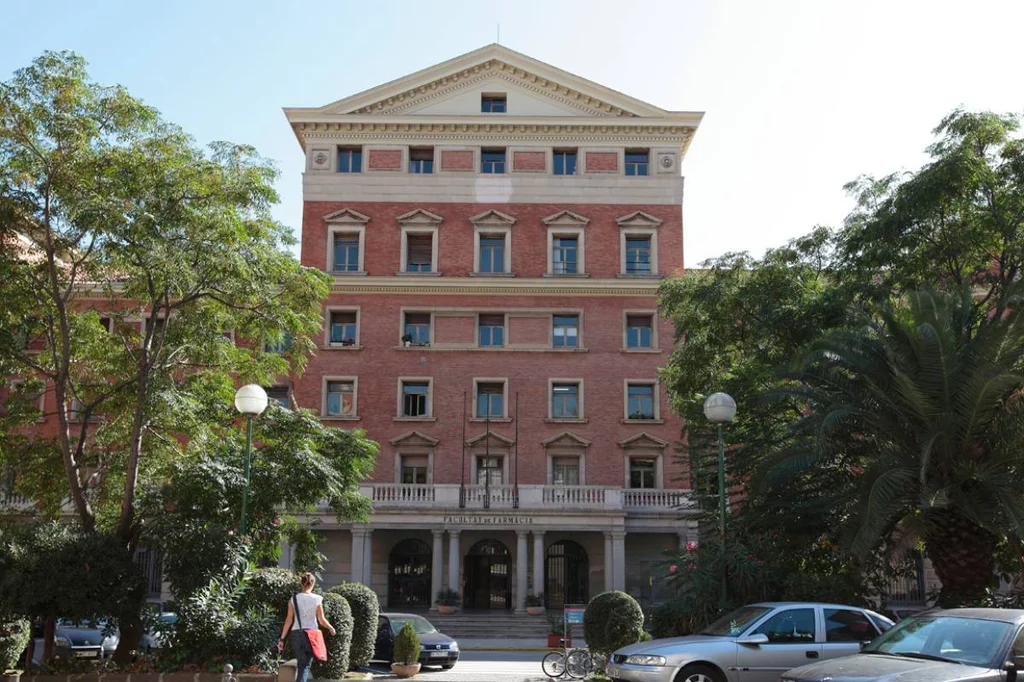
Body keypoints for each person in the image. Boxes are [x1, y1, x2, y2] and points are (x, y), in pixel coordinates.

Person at [278, 572, 336, 682]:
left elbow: (288, 620)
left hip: (296, 634)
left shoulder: (293, 599)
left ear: (301, 584)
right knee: (304, 666)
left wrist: (282, 639)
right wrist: (330, 628)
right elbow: (321, 620)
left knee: (302, 665)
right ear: (313, 584)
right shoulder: (317, 599)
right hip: (311, 635)